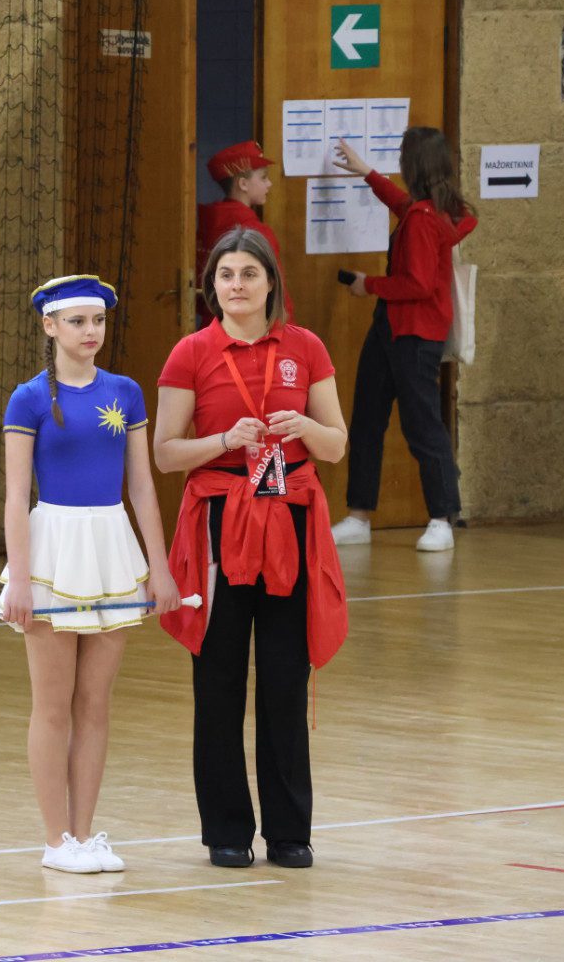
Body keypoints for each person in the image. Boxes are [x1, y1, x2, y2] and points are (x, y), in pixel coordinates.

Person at [153, 229, 348, 870]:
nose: (236, 285)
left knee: (286, 679)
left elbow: (336, 445)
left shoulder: (305, 347)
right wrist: (223, 442)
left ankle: (290, 832)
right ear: (212, 287)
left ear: (270, 283)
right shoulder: (191, 352)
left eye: (248, 274)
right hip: (219, 521)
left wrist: (307, 427)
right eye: (225, 275)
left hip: (288, 518)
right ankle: (227, 831)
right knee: (219, 679)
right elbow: (165, 453)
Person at [0, 274, 183, 874]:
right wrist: (20, 578)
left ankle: (84, 835)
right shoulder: (28, 399)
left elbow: (141, 488)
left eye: (98, 320)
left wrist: (159, 568)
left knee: (95, 704)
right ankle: (56, 842)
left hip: (110, 550)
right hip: (53, 551)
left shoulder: (126, 392)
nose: (90, 331)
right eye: (77, 321)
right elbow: (15, 496)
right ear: (50, 326)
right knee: (52, 706)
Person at [329, 128, 476, 553]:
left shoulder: (424, 221)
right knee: (367, 420)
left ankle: (442, 519)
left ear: (414, 164)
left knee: (422, 427)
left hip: (415, 336)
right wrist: (366, 172)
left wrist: (369, 284)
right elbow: (402, 204)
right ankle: (359, 516)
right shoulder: (428, 212)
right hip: (389, 330)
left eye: (402, 155)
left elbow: (418, 284)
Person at [197, 141, 293, 325]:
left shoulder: (206, 227)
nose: (269, 184)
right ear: (243, 184)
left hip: (213, 326)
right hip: (252, 329)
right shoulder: (257, 233)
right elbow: (277, 297)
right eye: (263, 178)